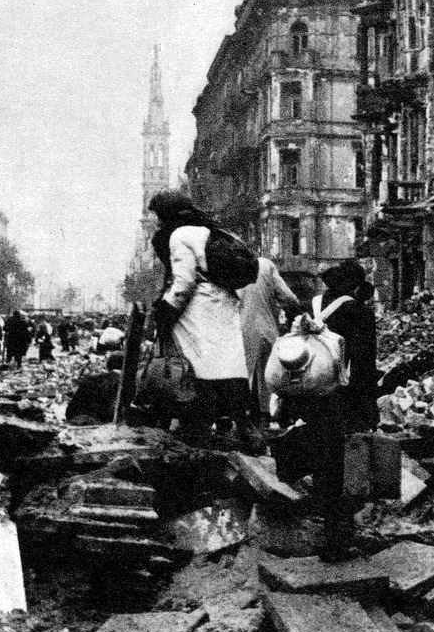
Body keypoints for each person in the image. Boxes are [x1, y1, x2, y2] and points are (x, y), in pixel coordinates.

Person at [279, 259, 379, 561]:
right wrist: (368, 406)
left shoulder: (309, 308)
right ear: (355, 286)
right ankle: (336, 539)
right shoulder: (359, 313)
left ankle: (321, 524)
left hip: (308, 395)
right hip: (342, 398)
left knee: (322, 458)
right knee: (342, 463)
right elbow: (363, 365)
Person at [148, 191, 253, 446]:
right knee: (228, 366)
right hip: (223, 304)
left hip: (199, 307)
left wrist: (164, 310)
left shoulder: (179, 235)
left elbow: (184, 282)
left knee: (197, 368)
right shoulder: (214, 231)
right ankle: (243, 428)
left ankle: (197, 429)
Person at [239, 257, 301, 428]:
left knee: (241, 375)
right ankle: (266, 417)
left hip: (237, 330)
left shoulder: (226, 266)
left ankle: (238, 420)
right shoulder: (265, 265)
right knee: (267, 375)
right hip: (266, 329)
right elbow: (289, 299)